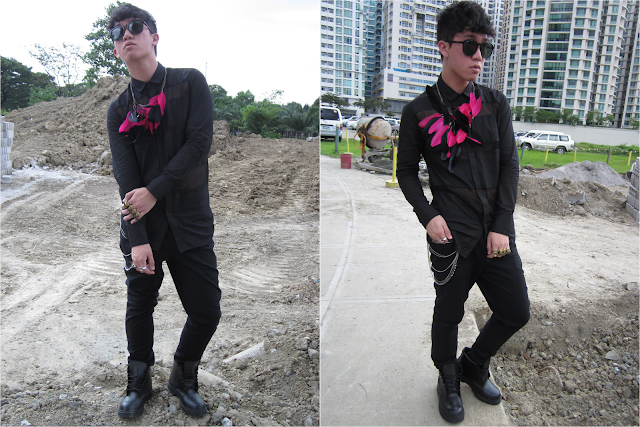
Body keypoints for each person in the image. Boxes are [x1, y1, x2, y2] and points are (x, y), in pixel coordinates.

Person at [397, 1, 530, 423]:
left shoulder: (495, 104)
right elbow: (405, 172)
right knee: (449, 313)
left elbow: (509, 165)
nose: (479, 56)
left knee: (516, 310)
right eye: (470, 46)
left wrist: (502, 223)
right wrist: (427, 215)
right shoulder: (417, 112)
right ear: (444, 47)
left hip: (495, 235)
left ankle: (473, 364)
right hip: (451, 235)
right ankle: (448, 376)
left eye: (484, 48)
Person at [106, 3, 221, 419]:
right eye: (117, 33)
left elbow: (198, 145)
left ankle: (183, 376)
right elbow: (125, 177)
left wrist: (154, 191)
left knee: (206, 310)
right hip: (144, 228)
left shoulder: (189, 83)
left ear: (154, 37)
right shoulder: (118, 110)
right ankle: (138, 382)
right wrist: (137, 238)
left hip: (190, 220)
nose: (126, 35)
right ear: (115, 49)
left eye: (135, 27)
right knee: (140, 306)